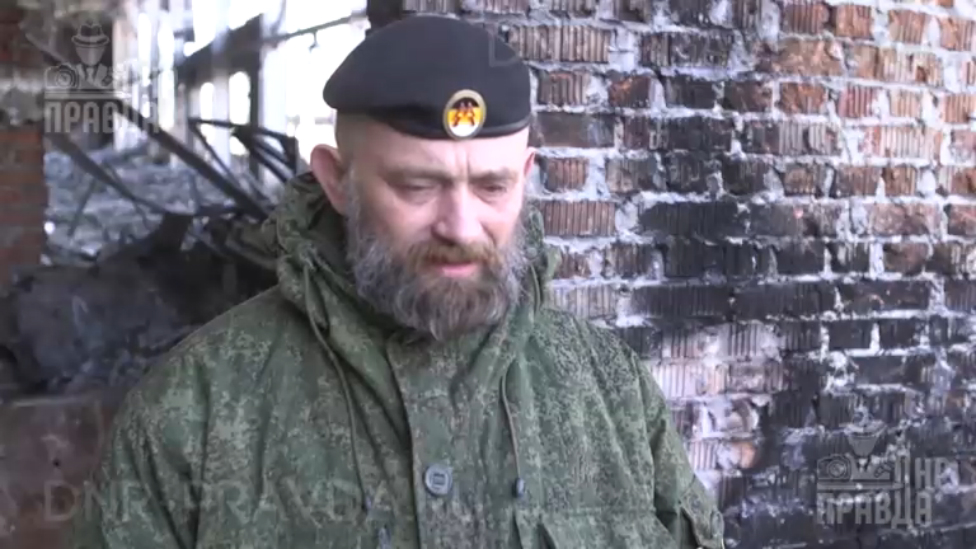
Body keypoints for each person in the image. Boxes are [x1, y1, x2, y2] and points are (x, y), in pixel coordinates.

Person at [68, 14, 725, 549]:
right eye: (417, 185)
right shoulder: (197, 408)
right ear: (337, 181)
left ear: (525, 177)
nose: (460, 226)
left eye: (492, 187)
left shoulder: (610, 391)